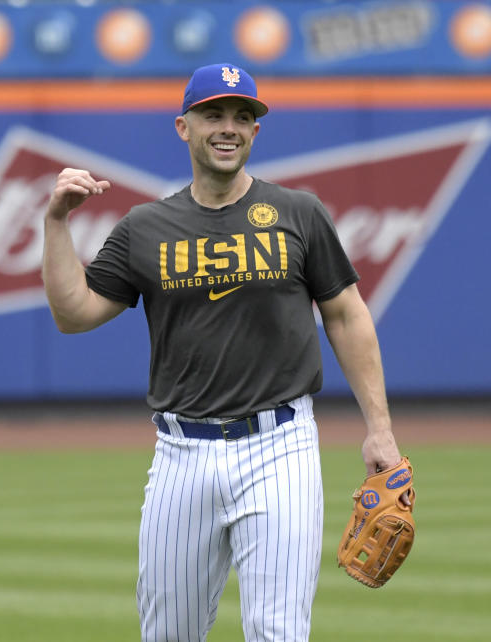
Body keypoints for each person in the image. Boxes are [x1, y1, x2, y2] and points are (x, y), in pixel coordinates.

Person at [41, 63, 405, 642]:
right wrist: (56, 222)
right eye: (214, 114)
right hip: (181, 455)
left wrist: (380, 429)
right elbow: (73, 313)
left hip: (280, 445)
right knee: (169, 633)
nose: (229, 127)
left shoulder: (298, 213)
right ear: (184, 127)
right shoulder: (146, 227)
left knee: (278, 631)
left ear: (256, 132)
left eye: (243, 116)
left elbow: (346, 314)